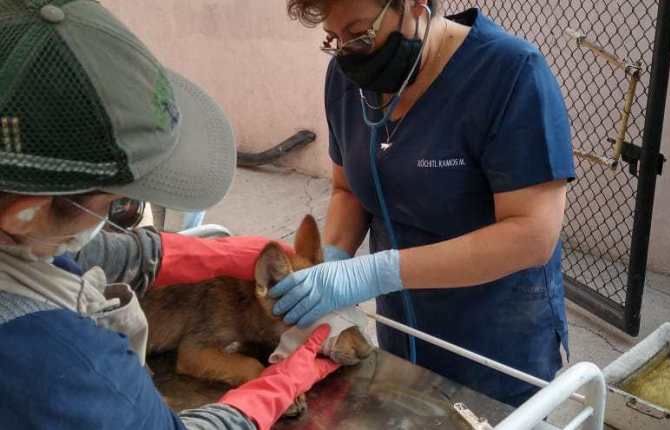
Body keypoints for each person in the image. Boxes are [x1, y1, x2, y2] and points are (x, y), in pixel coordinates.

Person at [0, 1, 338, 429]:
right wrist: (269, 390)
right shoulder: (61, 359)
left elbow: (81, 254)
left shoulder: (25, 239)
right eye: (112, 202)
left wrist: (209, 255)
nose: (117, 216)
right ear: (24, 213)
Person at [273, 0, 576, 406]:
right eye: (335, 39)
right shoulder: (347, 78)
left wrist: (376, 272)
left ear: (416, 6)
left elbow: (532, 234)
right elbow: (348, 189)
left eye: (361, 33)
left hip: (495, 340)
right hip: (402, 326)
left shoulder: (510, 75)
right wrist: (334, 260)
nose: (349, 51)